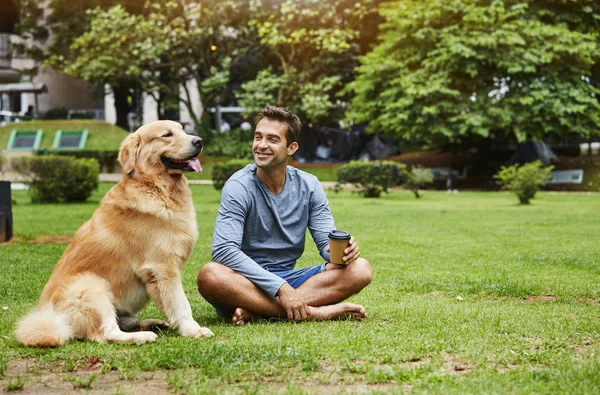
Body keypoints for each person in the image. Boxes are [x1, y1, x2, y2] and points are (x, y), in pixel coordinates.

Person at [197, 106, 372, 326]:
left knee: (360, 268)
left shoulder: (309, 185)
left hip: (291, 281)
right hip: (244, 281)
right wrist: (279, 288)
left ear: (291, 147)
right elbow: (224, 251)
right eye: (258, 137)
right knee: (210, 275)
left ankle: (260, 312)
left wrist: (342, 253)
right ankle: (315, 312)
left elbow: (327, 246)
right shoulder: (238, 186)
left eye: (272, 139)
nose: (261, 145)